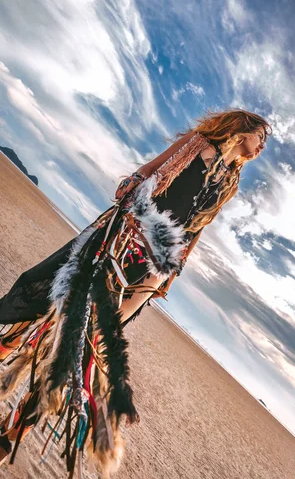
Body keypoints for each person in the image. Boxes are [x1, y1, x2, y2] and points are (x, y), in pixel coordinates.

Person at [0, 109, 271, 475]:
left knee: (86, 346)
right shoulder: (199, 145)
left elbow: (195, 229)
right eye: (262, 137)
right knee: (42, 297)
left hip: (152, 266)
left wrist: (171, 271)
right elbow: (151, 171)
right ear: (243, 128)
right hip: (122, 238)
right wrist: (131, 186)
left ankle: (12, 431)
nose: (262, 146)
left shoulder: (231, 182)